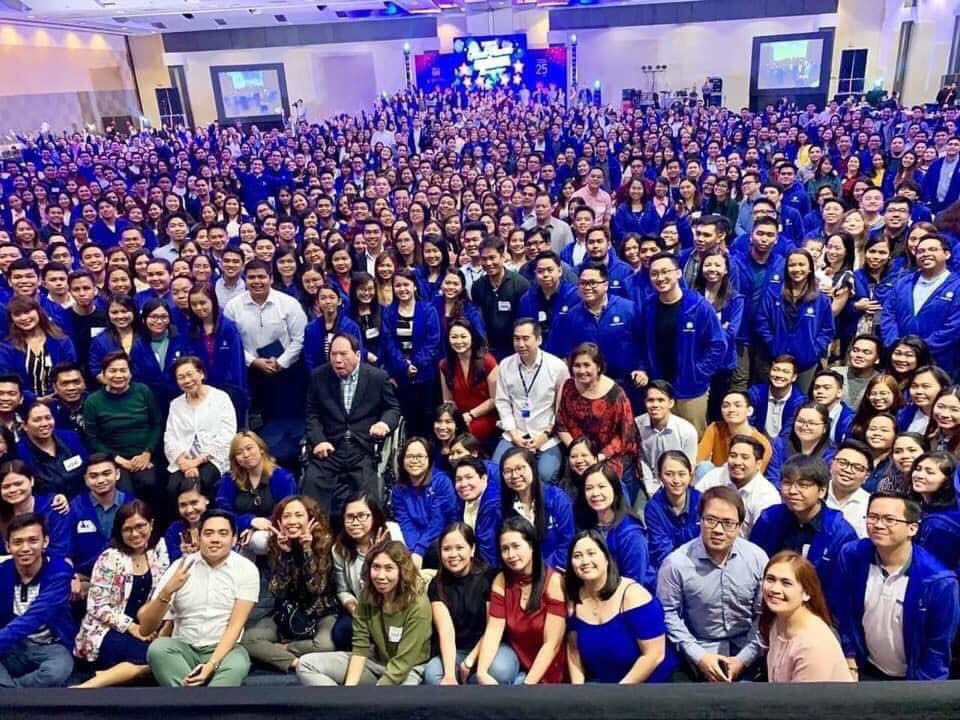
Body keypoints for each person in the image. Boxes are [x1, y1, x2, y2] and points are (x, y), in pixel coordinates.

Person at [834, 492, 960, 680]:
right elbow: (845, 612)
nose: (878, 525)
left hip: (913, 680)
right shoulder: (852, 555)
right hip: (865, 669)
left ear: (912, 528)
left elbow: (937, 650)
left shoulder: (939, 581)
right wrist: (850, 657)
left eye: (889, 519)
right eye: (873, 517)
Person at [657, 486, 767, 682]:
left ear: (740, 526)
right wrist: (699, 657)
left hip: (748, 651)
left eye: (728, 523)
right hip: (698, 651)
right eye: (711, 520)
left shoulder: (757, 558)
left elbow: (764, 615)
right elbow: (668, 614)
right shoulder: (676, 563)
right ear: (699, 520)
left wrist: (743, 659)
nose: (718, 530)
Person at [140, 509, 259, 687]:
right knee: (158, 649)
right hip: (184, 647)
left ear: (234, 539)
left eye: (223, 533)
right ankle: (198, 701)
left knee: (238, 663)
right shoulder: (180, 567)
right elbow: (146, 629)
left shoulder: (246, 569)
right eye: (208, 533)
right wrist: (167, 591)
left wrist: (211, 665)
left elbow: (235, 626)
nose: (215, 539)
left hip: (225, 649)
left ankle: (192, 702)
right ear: (198, 537)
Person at [296, 540, 431, 686]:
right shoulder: (367, 595)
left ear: (402, 570)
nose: (380, 575)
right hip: (376, 662)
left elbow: (404, 662)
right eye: (376, 567)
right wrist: (351, 688)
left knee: (394, 706)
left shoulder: (418, 604)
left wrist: (375, 695)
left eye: (389, 568)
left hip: (409, 669)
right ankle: (339, 706)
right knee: (306, 665)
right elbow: (360, 647)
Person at [73, 500, 169, 688]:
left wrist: (162, 629)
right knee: (151, 658)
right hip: (108, 629)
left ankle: (103, 677)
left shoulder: (158, 551)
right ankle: (86, 688)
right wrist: (132, 627)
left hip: (146, 628)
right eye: (128, 529)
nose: (135, 534)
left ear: (152, 524)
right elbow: (96, 607)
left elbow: (164, 594)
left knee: (164, 655)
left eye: (140, 526)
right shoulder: (110, 557)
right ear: (120, 531)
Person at [302, 333, 399, 517]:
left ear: (358, 355)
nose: (338, 360)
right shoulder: (319, 376)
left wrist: (384, 424)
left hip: (363, 449)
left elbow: (393, 409)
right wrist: (319, 440)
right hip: (330, 449)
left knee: (369, 498)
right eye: (333, 354)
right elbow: (312, 415)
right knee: (312, 486)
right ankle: (316, 538)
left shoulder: (377, 377)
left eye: (343, 354)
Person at [242, 496, 339, 673]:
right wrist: (284, 555)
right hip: (287, 613)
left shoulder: (326, 542)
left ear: (310, 518)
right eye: (287, 516)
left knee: (326, 646)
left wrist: (307, 551)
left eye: (298, 515)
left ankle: (283, 650)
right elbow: (278, 591)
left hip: (320, 613)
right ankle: (296, 662)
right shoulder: (276, 543)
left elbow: (316, 589)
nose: (292, 521)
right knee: (248, 639)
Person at [566, 530, 674, 683]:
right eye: (577, 556)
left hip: (653, 685)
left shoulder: (633, 595)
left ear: (607, 558)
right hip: (603, 687)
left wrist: (618, 696)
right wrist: (578, 693)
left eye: (591, 553)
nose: (584, 561)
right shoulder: (573, 599)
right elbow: (573, 651)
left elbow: (654, 654)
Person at [634, 252, 725, 435]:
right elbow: (641, 341)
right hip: (659, 387)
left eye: (665, 271)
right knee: (661, 438)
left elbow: (718, 345)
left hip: (691, 389)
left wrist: (698, 372)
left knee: (694, 439)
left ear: (678, 273)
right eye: (654, 274)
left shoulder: (698, 306)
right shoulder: (648, 306)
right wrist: (643, 368)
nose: (660, 278)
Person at [749, 456, 857, 600]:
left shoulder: (840, 532)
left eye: (803, 485)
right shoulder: (770, 517)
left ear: (822, 491)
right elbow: (754, 567)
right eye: (787, 483)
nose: (793, 491)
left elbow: (841, 591)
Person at [474, 516, 567, 685]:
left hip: (548, 668)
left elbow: (551, 645)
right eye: (505, 549)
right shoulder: (501, 580)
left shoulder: (553, 581)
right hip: (518, 661)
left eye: (516, 546)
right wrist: (482, 672)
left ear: (531, 546)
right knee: (491, 671)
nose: (511, 555)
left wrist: (526, 687)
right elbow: (494, 630)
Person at [423, 522, 516, 685]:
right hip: (456, 651)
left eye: (460, 548)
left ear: (472, 549)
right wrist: (450, 674)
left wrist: (470, 662)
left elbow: (492, 628)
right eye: (446, 549)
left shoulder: (490, 577)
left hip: (490, 648)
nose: (453, 554)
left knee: (500, 670)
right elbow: (446, 630)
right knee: (433, 674)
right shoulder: (436, 585)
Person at [223, 258, 308, 424]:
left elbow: (300, 338)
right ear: (244, 280)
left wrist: (281, 362)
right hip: (250, 372)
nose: (257, 282)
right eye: (251, 277)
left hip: (286, 371)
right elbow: (232, 343)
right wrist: (254, 361)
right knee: (257, 424)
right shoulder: (233, 307)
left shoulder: (289, 304)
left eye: (261, 277)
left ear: (271, 278)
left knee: (287, 422)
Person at [0, 513, 76, 688]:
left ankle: (9, 692)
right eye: (17, 542)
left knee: (56, 672)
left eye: (33, 540)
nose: (25, 548)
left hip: (50, 646)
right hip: (11, 647)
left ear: (45, 542)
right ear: (8, 546)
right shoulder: (3, 571)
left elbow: (35, 617)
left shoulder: (60, 572)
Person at [493, 319, 569, 485]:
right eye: (516, 338)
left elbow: (562, 408)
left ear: (539, 339)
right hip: (514, 434)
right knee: (496, 471)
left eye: (526, 338)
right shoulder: (506, 365)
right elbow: (503, 402)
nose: (520, 344)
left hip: (546, 437)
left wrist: (545, 435)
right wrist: (514, 434)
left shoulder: (557, 367)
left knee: (544, 475)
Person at [82, 352, 163, 504]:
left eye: (123, 370)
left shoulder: (143, 391)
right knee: (124, 491)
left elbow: (157, 424)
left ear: (130, 373)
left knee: (149, 484)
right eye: (112, 371)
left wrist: (147, 453)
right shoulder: (93, 401)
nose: (118, 375)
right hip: (114, 459)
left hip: (144, 457)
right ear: (103, 374)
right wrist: (118, 459)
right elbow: (92, 438)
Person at [760, 550, 852, 682]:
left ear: (807, 593)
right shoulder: (776, 621)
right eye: (770, 579)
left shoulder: (813, 646)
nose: (774, 589)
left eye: (786, 583)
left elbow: (803, 701)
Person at [330, 493, 403, 651]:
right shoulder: (339, 548)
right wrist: (355, 609)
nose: (355, 522)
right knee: (342, 633)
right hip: (361, 606)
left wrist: (375, 555)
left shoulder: (392, 531)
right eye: (349, 517)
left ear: (374, 516)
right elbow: (343, 590)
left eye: (362, 516)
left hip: (393, 603)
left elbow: (403, 577)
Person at [881, 234, 960, 378]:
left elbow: (954, 327)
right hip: (900, 362)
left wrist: (919, 351)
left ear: (947, 254)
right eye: (921, 251)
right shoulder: (903, 283)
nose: (926, 254)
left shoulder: (957, 286)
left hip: (939, 363)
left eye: (932, 249)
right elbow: (888, 316)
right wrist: (897, 347)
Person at [756, 249, 835, 391]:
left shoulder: (821, 299)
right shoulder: (773, 293)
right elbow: (762, 321)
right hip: (775, 359)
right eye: (792, 265)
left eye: (801, 264)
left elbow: (827, 330)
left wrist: (814, 350)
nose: (797, 269)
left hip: (806, 363)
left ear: (810, 268)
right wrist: (773, 344)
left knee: (800, 404)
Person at [557, 343, 636, 480]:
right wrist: (579, 454)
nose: (582, 370)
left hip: (607, 455)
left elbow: (624, 435)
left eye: (587, 365)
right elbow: (560, 423)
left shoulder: (616, 394)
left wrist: (597, 458)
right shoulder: (568, 386)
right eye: (577, 365)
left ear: (598, 366)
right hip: (576, 453)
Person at [163, 356, 236, 499]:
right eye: (181, 377)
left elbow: (227, 435)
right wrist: (181, 461)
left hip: (214, 458)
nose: (187, 380)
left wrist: (197, 461)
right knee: (172, 487)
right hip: (184, 460)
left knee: (202, 483)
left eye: (190, 374)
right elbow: (170, 437)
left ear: (201, 374)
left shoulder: (220, 398)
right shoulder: (175, 405)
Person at [215, 431, 298, 555]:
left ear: (261, 449)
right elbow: (222, 514)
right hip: (238, 530)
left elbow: (287, 513)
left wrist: (255, 528)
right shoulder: (229, 480)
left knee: (258, 540)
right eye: (239, 453)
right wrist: (248, 522)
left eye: (249, 448)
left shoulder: (282, 478)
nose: (246, 455)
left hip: (274, 530)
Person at [382, 267, 442, 437]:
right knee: (406, 416)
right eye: (398, 285)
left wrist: (415, 363)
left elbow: (433, 341)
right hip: (399, 374)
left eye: (406, 284)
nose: (402, 289)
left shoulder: (428, 310)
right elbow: (388, 342)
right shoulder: (389, 312)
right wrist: (403, 365)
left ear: (414, 286)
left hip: (425, 373)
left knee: (427, 415)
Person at [579, 463, 654, 590]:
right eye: (589, 488)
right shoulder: (586, 525)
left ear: (615, 490)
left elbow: (634, 584)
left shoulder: (631, 534)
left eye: (602, 486)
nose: (595, 493)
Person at [499, 447, 575, 571]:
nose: (514, 475)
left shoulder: (557, 499)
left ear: (532, 467)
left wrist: (541, 571)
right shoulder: (502, 508)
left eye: (519, 468)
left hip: (555, 572)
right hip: (518, 572)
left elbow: (567, 544)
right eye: (507, 471)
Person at [184, 282, 248, 424]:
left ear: (213, 300)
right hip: (202, 391)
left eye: (203, 303)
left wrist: (239, 392)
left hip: (229, 389)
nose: (198, 308)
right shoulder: (190, 330)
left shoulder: (228, 327)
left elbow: (237, 364)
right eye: (194, 304)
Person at [391, 437, 457, 569]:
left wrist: (419, 550)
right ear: (402, 460)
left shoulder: (442, 482)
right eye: (409, 456)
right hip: (415, 541)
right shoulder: (399, 489)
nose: (414, 461)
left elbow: (439, 521)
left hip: (442, 536)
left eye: (420, 456)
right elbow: (405, 522)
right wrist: (413, 550)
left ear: (429, 459)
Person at [697, 435, 780, 537]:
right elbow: (694, 511)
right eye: (733, 455)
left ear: (758, 464)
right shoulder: (714, 476)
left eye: (745, 457)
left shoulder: (767, 495)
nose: (737, 462)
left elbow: (763, 537)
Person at [0, 296, 76, 398]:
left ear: (39, 312)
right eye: (17, 314)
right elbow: (7, 379)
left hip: (60, 400)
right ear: (12, 319)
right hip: (22, 404)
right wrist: (33, 399)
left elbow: (70, 372)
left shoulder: (62, 341)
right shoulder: (7, 347)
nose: (23, 318)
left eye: (27, 312)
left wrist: (53, 396)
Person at [634, 380, 698, 497]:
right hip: (647, 483)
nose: (655, 405)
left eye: (661, 400)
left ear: (671, 403)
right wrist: (650, 490)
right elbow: (642, 461)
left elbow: (689, 469)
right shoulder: (637, 425)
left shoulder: (687, 431)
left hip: (678, 484)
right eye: (651, 400)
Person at [470, 236, 531, 359]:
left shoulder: (520, 284)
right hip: (488, 349)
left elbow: (525, 320)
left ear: (503, 257)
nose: (488, 263)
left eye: (492, 258)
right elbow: (478, 319)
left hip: (514, 349)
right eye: (484, 259)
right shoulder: (477, 286)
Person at [439, 320, 499, 444]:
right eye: (454, 337)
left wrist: (471, 415)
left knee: (463, 437)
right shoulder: (445, 365)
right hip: (458, 417)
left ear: (472, 337)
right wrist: (450, 420)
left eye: (463, 336)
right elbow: (447, 401)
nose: (459, 341)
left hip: (484, 416)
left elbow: (495, 399)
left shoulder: (487, 361)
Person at [15, 401, 87, 497]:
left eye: (48, 418)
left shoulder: (71, 438)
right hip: (50, 507)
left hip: (84, 500)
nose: (44, 423)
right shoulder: (20, 453)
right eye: (37, 420)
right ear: (24, 426)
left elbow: (87, 467)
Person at [644, 451, 702, 571]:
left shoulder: (702, 502)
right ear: (659, 476)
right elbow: (661, 550)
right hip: (668, 567)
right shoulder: (653, 508)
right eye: (669, 474)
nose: (676, 480)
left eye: (682, 474)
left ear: (690, 475)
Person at [0, 461, 70, 558]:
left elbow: (61, 550)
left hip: (52, 567)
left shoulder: (54, 506)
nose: (12, 490)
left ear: (31, 481)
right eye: (6, 486)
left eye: (18, 484)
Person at [697, 391, 773, 476]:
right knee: (704, 467)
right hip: (716, 479)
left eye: (737, 405)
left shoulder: (761, 442)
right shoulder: (715, 428)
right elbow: (699, 460)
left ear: (749, 411)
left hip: (742, 482)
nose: (731, 410)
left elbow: (755, 476)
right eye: (726, 406)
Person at [766, 403, 837, 487]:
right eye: (800, 421)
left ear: (824, 428)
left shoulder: (832, 454)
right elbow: (772, 478)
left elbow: (824, 485)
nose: (804, 426)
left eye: (812, 423)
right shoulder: (779, 445)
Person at [303, 281, 363, 372]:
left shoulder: (351, 326)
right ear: (317, 302)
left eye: (332, 297)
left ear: (339, 301)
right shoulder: (310, 328)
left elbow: (358, 354)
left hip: (347, 373)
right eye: (323, 298)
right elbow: (309, 358)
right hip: (319, 377)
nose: (328, 301)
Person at [747, 355, 808, 441]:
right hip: (756, 443)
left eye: (785, 372)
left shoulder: (799, 401)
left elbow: (788, 435)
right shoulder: (755, 393)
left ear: (794, 377)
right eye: (775, 370)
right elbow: (748, 424)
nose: (779, 375)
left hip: (785, 449)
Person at [826, 440, 874, 538]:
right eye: (843, 463)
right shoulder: (813, 493)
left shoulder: (871, 505)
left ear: (866, 476)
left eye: (857, 468)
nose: (848, 470)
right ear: (831, 464)